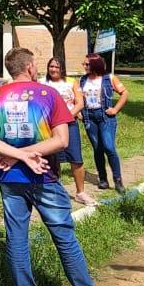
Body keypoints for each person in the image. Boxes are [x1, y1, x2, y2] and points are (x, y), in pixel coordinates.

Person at [0, 47, 108, 286]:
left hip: (9, 178)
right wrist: (27, 155)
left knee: (16, 237)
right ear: (29, 67)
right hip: (44, 175)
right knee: (64, 236)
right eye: (36, 65)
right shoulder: (48, 94)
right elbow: (61, 140)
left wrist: (16, 156)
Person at [43, 57, 95, 206]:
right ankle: (57, 191)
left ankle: (80, 193)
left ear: (62, 69)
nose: (53, 69)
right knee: (53, 159)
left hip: (69, 124)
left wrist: (66, 117)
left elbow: (80, 103)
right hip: (49, 126)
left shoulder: (71, 82)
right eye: (51, 66)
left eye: (56, 67)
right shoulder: (42, 82)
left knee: (76, 158)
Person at [79, 53, 128, 192]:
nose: (84, 66)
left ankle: (118, 180)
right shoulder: (82, 80)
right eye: (84, 64)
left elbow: (124, 93)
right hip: (90, 117)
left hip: (106, 117)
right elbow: (76, 98)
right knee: (97, 148)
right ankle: (103, 179)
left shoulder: (109, 78)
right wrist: (78, 113)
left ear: (95, 64)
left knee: (109, 147)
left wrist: (116, 109)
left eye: (87, 64)